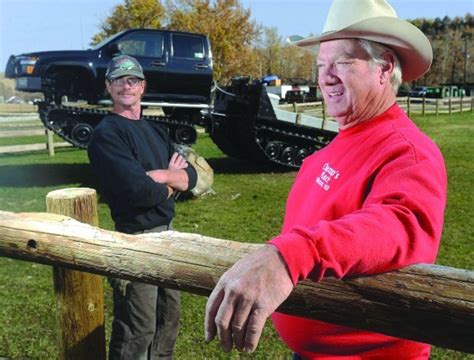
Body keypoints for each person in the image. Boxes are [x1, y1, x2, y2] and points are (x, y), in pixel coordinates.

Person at [204, 0, 447, 358]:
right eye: (321, 65)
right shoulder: (332, 147)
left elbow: (400, 223)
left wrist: (290, 256)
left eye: (343, 62)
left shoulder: (407, 150)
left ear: (384, 69)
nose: (326, 76)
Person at [87, 54, 197, 359]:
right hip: (136, 239)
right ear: (108, 87)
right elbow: (138, 192)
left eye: (132, 79)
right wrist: (172, 185)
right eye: (118, 80)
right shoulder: (107, 135)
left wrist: (162, 176)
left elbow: (192, 176)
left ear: (142, 86)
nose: (126, 85)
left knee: (167, 320)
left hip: (168, 237)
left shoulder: (156, 131)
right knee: (138, 329)